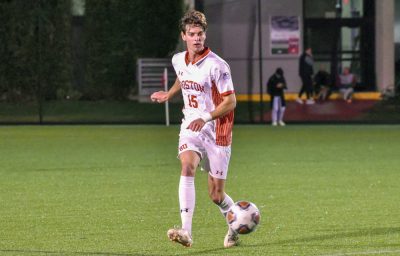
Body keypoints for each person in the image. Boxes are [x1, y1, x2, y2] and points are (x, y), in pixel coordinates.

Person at [150, 10, 238, 248]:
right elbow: (182, 75)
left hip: (218, 131)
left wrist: (207, 117)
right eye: (192, 34)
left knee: (216, 196)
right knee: (187, 166)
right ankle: (186, 231)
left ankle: (235, 225)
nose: (197, 38)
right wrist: (170, 93)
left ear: (204, 35)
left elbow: (231, 102)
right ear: (184, 36)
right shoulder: (178, 59)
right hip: (191, 125)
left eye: (200, 34)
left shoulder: (217, 66)